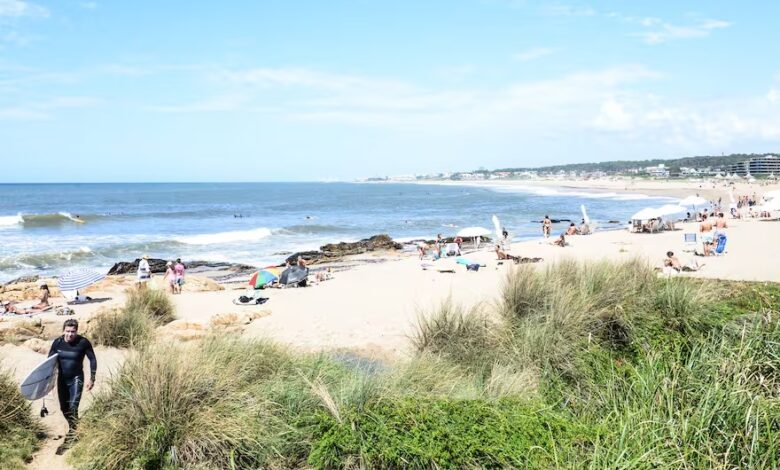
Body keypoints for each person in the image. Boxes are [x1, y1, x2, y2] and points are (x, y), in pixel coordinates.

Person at [48, 319, 96, 455]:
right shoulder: (57, 343)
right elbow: (49, 363)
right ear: (63, 330)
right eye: (68, 331)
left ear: (76, 331)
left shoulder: (83, 342)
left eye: (73, 332)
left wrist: (92, 378)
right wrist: (46, 384)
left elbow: (92, 359)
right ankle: (74, 427)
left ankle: (73, 434)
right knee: (64, 408)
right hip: (62, 380)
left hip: (76, 379)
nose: (70, 334)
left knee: (73, 407)